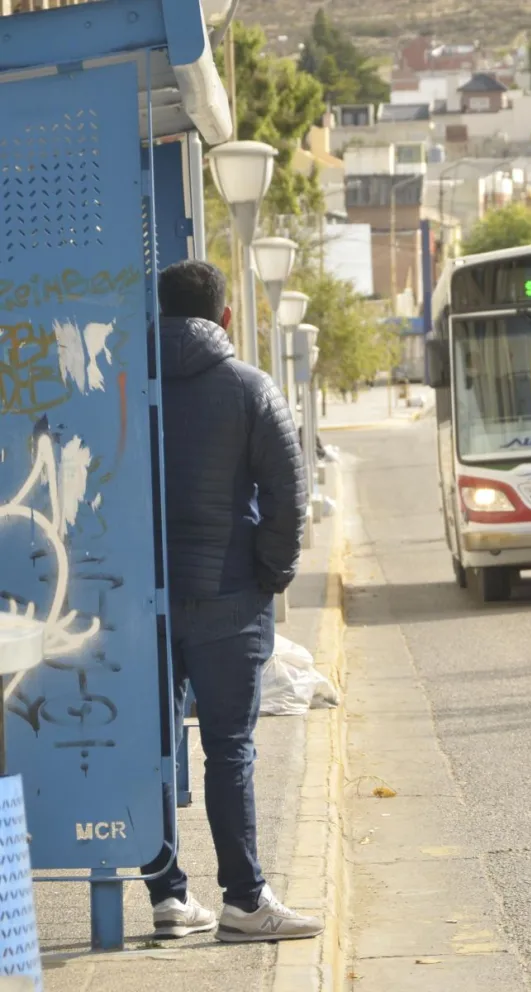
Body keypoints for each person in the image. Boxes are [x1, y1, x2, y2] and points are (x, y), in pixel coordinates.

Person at [141, 260, 322, 944]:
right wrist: (269, 575)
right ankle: (244, 901)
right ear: (223, 317)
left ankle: (168, 897)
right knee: (229, 750)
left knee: (154, 746)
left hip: (141, 601)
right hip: (228, 596)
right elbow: (288, 494)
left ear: (158, 313)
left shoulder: (124, 382)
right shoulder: (249, 386)